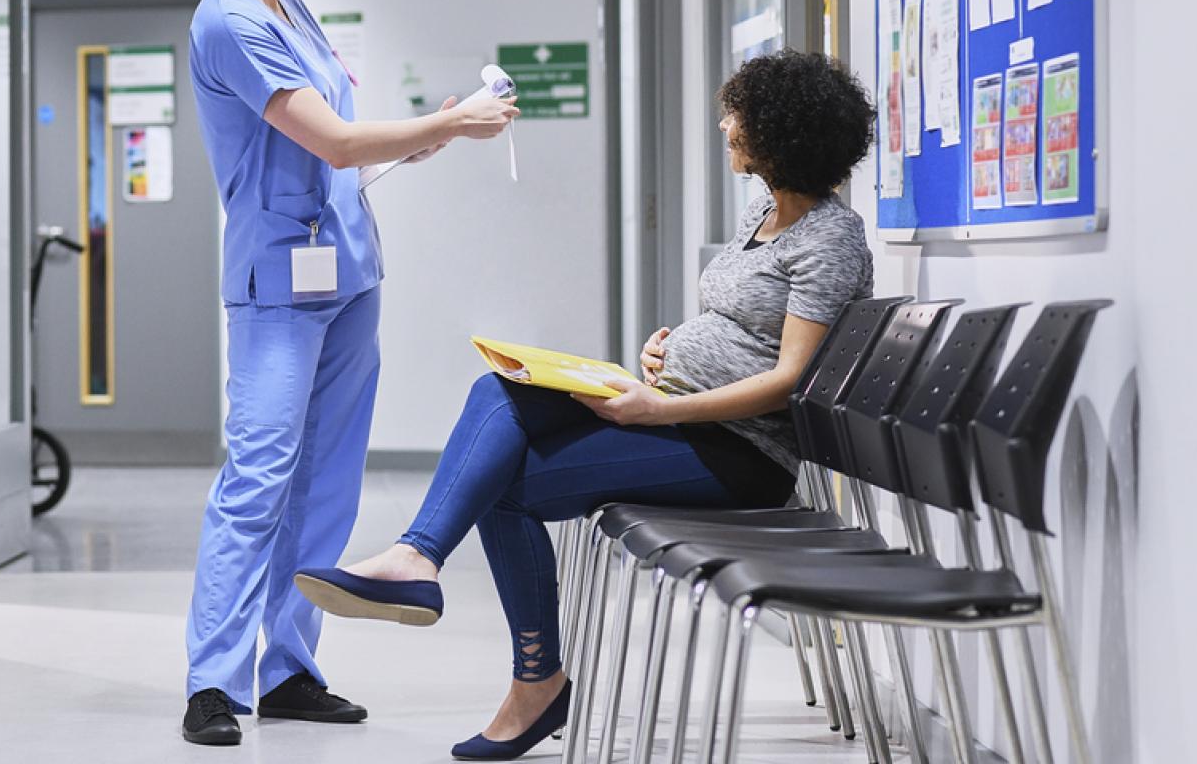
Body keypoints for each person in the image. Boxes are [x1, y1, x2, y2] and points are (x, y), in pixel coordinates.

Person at [295, 50, 877, 760]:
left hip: (740, 452)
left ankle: (526, 675)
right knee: (500, 387)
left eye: (740, 116)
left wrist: (659, 409)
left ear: (783, 135)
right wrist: (671, 350)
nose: (727, 126)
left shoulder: (830, 237)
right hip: (683, 412)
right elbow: (740, 323)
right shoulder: (765, 213)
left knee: (502, 490)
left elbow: (790, 378)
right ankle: (420, 564)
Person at [180, 0, 521, 748]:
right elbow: (329, 137)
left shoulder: (293, 7)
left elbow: (338, 156)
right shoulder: (232, 19)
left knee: (327, 483)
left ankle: (289, 668)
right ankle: (212, 682)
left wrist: (431, 129)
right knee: (258, 478)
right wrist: (448, 128)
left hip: (348, 272)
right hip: (278, 290)